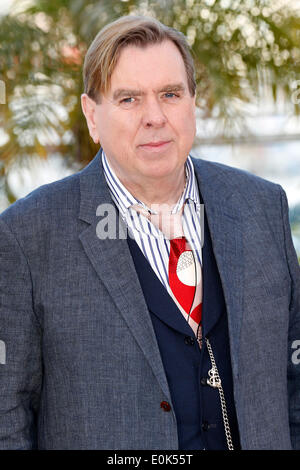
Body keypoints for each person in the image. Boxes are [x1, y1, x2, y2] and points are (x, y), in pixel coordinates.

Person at [0, 15, 299, 451]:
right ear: (92, 116)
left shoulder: (261, 207)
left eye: (170, 94)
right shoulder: (26, 237)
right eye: (129, 99)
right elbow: (7, 415)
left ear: (193, 102)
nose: (154, 117)